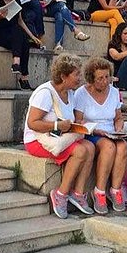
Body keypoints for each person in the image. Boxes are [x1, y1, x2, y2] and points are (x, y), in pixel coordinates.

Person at [24, 53, 96, 219]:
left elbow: (70, 119)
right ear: (63, 76)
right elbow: (32, 123)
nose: (80, 78)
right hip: (37, 140)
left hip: (58, 136)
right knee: (80, 151)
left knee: (90, 147)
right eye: (76, 74)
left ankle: (78, 193)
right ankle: (61, 194)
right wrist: (57, 125)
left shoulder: (70, 93)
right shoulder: (45, 93)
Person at [74, 57, 127, 214]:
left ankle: (116, 190)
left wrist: (119, 129)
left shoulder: (114, 92)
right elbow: (79, 121)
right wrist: (97, 131)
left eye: (107, 77)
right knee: (109, 146)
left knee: (122, 145)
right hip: (92, 132)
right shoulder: (81, 94)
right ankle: (99, 191)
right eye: (100, 78)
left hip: (111, 132)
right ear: (91, 79)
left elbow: (118, 117)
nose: (105, 82)